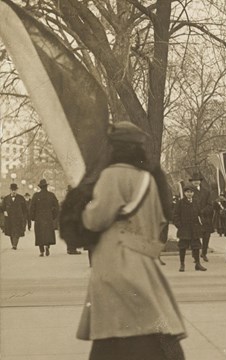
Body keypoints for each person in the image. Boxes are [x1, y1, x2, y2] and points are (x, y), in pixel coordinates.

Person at [78, 121, 186, 359]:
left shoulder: (111, 175)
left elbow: (96, 220)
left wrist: (84, 209)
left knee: (115, 328)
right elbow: (160, 219)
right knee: (147, 323)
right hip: (143, 259)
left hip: (115, 260)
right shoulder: (148, 179)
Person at [173, 183, 207, 272]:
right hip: (184, 229)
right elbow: (175, 215)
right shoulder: (180, 203)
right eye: (187, 192)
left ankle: (198, 264)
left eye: (191, 192)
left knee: (196, 246)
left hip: (195, 228)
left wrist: (201, 222)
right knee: (183, 246)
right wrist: (179, 225)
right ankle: (182, 264)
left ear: (193, 193)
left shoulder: (196, 202)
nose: (189, 194)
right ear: (184, 193)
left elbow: (200, 213)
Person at [30, 180, 59, 257]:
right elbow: (56, 207)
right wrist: (53, 216)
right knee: (48, 232)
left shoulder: (36, 195)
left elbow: (32, 207)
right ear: (46, 186)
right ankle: (47, 246)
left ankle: (41, 250)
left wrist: (32, 217)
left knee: (40, 233)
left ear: (40, 187)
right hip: (48, 217)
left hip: (38, 217)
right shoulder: (51, 195)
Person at [190, 172, 214, 262]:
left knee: (206, 236)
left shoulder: (206, 192)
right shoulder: (189, 191)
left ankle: (204, 253)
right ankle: (195, 254)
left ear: (200, 181)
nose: (196, 182)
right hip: (194, 217)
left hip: (205, 217)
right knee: (195, 236)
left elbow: (210, 205)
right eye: (194, 181)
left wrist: (203, 211)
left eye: (197, 180)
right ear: (192, 182)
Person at [2, 183, 28, 250]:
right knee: (10, 232)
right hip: (9, 218)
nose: (13, 191)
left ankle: (14, 245)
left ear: (17, 190)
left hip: (18, 218)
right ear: (10, 190)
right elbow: (2, 207)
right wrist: (4, 211)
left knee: (17, 232)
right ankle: (13, 243)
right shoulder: (6, 198)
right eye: (12, 190)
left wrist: (24, 217)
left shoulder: (21, 198)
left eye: (15, 190)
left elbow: (25, 209)